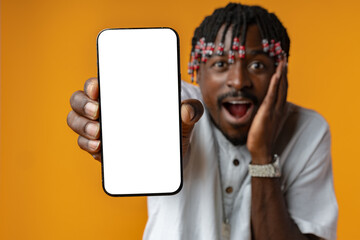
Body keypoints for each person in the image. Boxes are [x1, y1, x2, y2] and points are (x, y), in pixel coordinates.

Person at [67, 3, 338, 240]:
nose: (238, 81)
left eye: (257, 65)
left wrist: (263, 153)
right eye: (221, 64)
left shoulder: (309, 130)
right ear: (197, 72)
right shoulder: (174, 102)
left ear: (281, 72)